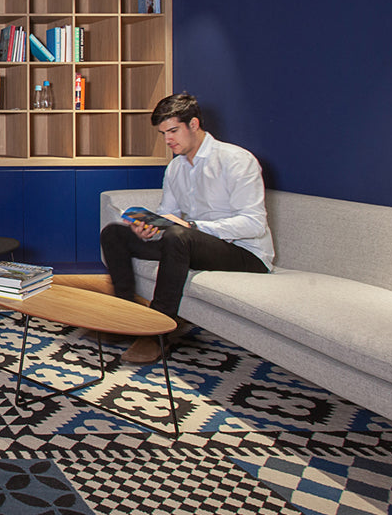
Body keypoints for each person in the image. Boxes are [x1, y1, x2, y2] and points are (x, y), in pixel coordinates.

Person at [100, 92, 274, 363]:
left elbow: (254, 223)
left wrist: (192, 226)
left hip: (244, 253)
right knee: (114, 234)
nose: (168, 140)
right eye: (163, 134)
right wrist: (150, 228)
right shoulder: (175, 168)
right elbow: (167, 214)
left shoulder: (236, 160)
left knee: (179, 236)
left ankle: (157, 332)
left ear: (193, 124)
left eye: (173, 131)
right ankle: (127, 316)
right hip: (190, 243)